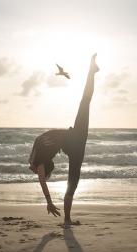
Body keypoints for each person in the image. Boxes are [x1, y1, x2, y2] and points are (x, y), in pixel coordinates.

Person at [29, 53, 99, 224]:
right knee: (85, 102)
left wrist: (49, 202)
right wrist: (48, 200)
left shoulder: (38, 158)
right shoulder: (37, 152)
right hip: (73, 135)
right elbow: (37, 173)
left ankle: (67, 219)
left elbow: (42, 182)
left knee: (72, 184)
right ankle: (92, 72)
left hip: (75, 142)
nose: (32, 169)